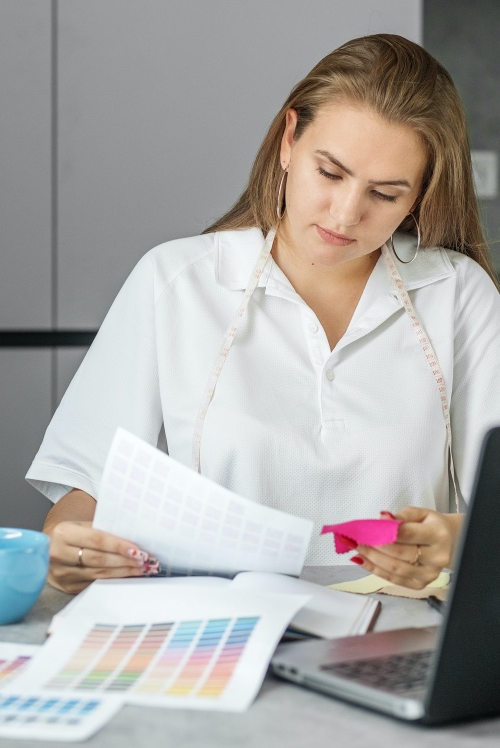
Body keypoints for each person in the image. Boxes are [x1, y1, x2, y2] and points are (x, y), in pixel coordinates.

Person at [27, 34, 500, 595]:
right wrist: (70, 542)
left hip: (400, 639)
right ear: (288, 141)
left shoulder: (456, 294)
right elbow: (86, 485)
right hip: (216, 629)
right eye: (330, 172)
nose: (346, 214)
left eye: (387, 194)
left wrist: (452, 538)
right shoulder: (176, 281)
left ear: (420, 195)